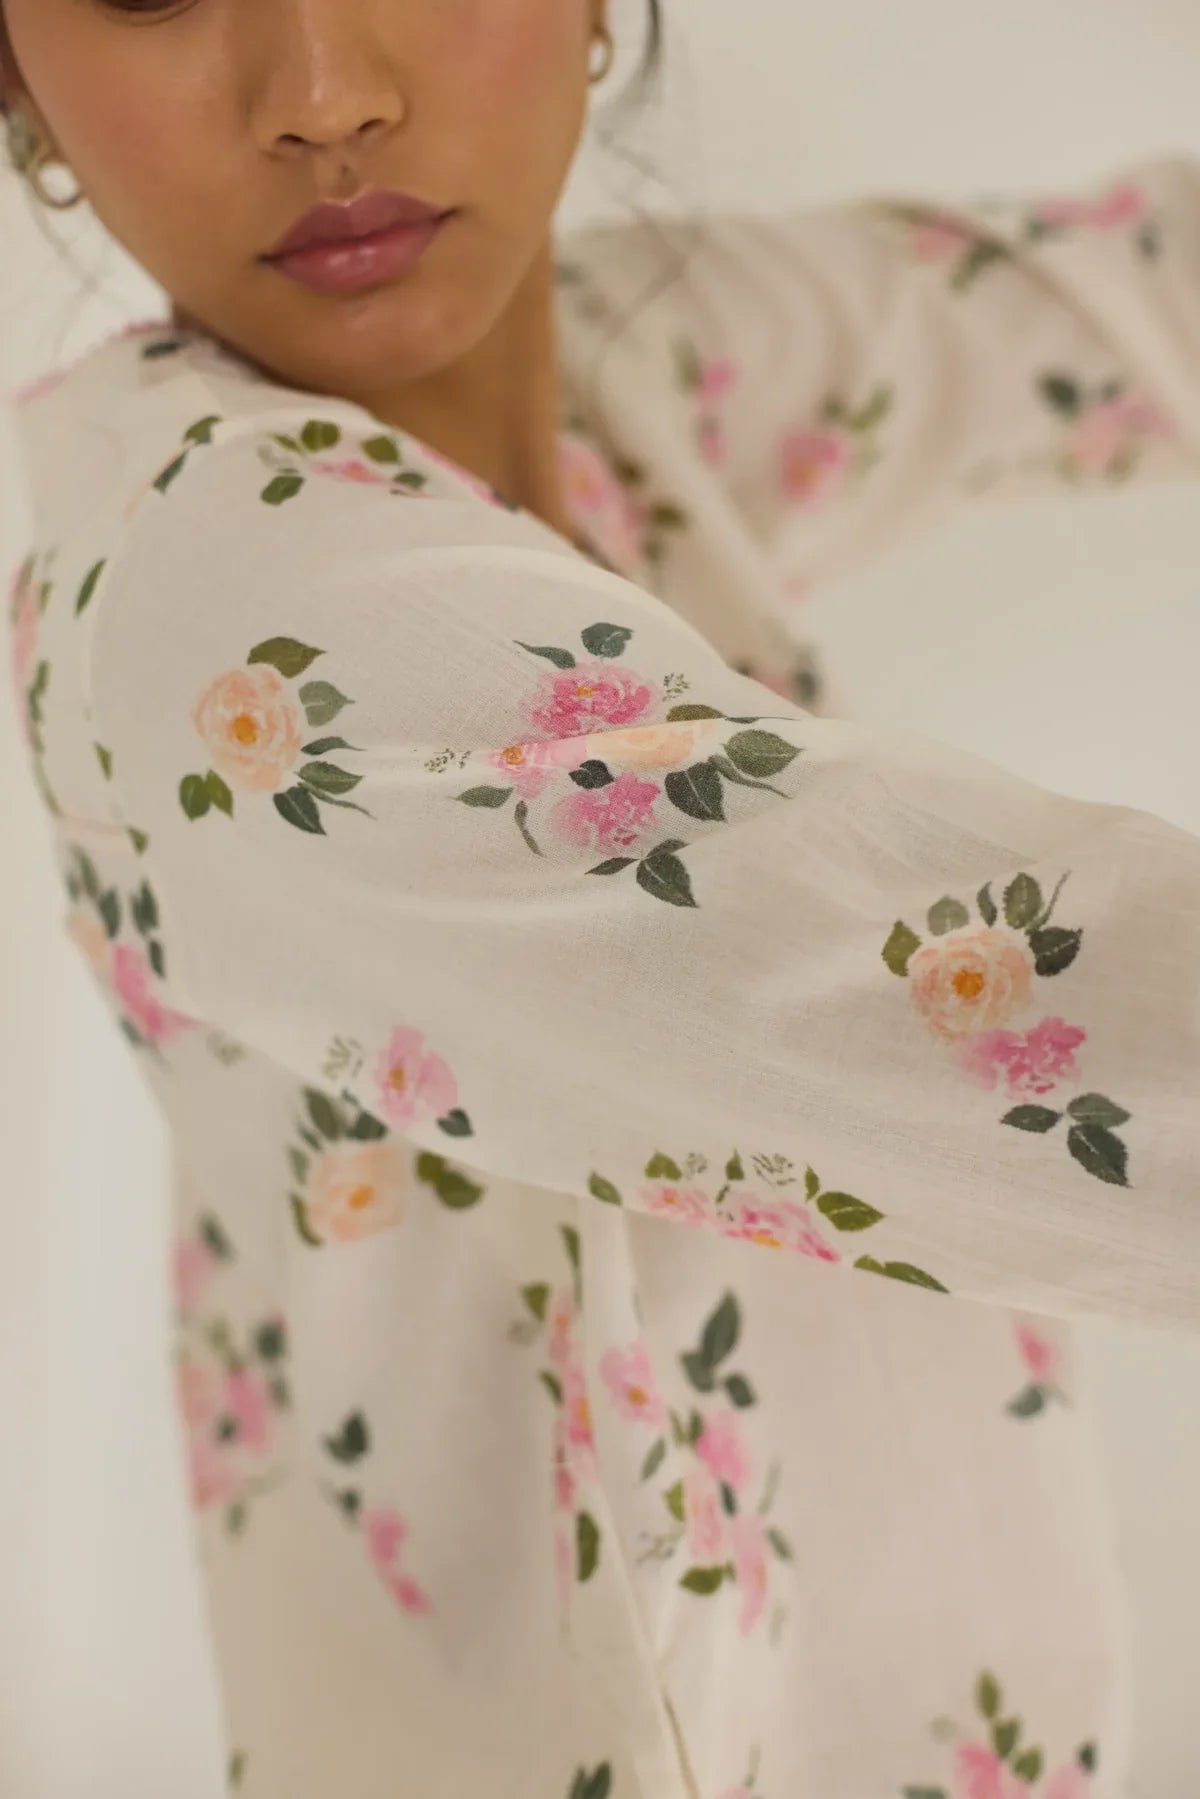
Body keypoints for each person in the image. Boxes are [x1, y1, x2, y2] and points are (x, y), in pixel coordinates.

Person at [4, 3, 1200, 1795]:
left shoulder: (635, 376)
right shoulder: (234, 612)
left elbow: (1115, 300)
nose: (324, 95)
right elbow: (1074, 1035)